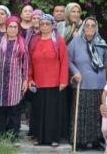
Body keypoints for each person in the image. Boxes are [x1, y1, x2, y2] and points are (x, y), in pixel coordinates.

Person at [29, 13, 69, 147]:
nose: (44, 26)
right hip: (38, 82)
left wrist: (64, 80)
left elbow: (64, 61)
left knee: (53, 112)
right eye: (42, 24)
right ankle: (39, 137)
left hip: (55, 82)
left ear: (53, 25)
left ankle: (54, 138)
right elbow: (29, 62)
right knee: (39, 110)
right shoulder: (34, 40)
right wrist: (29, 78)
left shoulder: (58, 41)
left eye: (47, 24)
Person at [68, 16, 107, 149]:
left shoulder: (102, 42)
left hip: (99, 83)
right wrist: (75, 72)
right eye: (87, 25)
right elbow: (68, 60)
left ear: (96, 28)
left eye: (93, 25)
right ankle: (80, 141)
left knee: (97, 114)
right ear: (83, 27)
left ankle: (96, 141)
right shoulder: (75, 42)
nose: (90, 28)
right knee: (82, 114)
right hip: (82, 83)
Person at [0, 15, 29, 140]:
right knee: (0, 108)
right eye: (10, 27)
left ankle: (13, 134)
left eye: (15, 27)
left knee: (14, 108)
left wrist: (25, 80)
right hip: (0, 80)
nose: (12, 29)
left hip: (15, 80)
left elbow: (26, 64)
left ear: (18, 29)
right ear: (6, 28)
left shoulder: (22, 43)